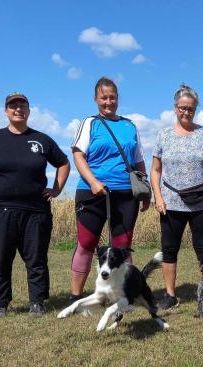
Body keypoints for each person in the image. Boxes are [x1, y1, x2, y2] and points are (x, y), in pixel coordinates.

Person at [0, 92, 70, 319]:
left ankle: (37, 302)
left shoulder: (42, 140)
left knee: (36, 259)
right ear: (6, 111)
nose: (18, 109)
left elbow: (63, 163)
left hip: (36, 211)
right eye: (13, 106)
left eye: (22, 105)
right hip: (0, 210)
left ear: (28, 110)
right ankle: (1, 305)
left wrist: (57, 188)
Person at [68, 77, 150, 302]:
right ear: (96, 99)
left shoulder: (129, 125)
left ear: (118, 98)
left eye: (112, 97)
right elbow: (78, 155)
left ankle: (125, 294)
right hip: (92, 192)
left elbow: (139, 161)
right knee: (86, 244)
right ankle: (75, 296)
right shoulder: (89, 123)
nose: (108, 102)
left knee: (123, 247)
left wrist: (146, 191)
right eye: (103, 97)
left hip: (126, 194)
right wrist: (93, 182)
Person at [150, 84, 203, 310]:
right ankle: (170, 295)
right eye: (182, 108)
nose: (186, 112)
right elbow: (155, 170)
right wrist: (158, 197)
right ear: (175, 108)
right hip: (171, 202)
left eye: (191, 108)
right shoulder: (163, 135)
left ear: (195, 109)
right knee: (169, 249)